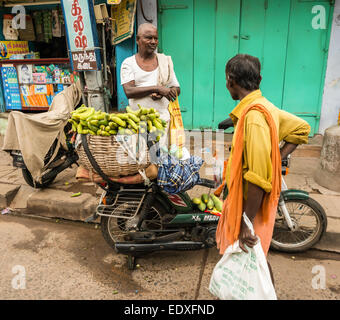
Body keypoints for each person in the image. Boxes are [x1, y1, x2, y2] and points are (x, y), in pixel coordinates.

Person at [215, 54, 311, 286]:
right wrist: (275, 157)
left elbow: (257, 179)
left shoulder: (255, 117)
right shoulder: (263, 106)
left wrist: (246, 222)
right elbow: (302, 128)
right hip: (250, 203)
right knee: (255, 259)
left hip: (251, 204)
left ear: (230, 81)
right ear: (259, 79)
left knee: (253, 258)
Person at [120, 23, 180, 147]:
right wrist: (156, 88)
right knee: (141, 161)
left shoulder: (165, 62)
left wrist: (166, 92)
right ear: (137, 40)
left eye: (156, 38)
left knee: (159, 159)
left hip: (161, 121)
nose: (153, 42)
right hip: (138, 122)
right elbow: (129, 91)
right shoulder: (129, 63)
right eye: (148, 38)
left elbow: (176, 88)